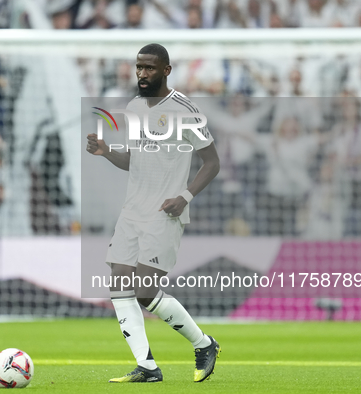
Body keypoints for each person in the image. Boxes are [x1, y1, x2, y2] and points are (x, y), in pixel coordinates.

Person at [86, 44, 221, 383]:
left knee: (145, 292)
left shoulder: (185, 110)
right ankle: (146, 366)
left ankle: (204, 344)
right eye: (138, 67)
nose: (142, 74)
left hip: (165, 212)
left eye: (149, 68)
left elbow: (212, 162)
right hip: (132, 210)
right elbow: (135, 159)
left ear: (166, 70)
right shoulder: (133, 107)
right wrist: (106, 152)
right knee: (119, 285)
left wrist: (185, 196)